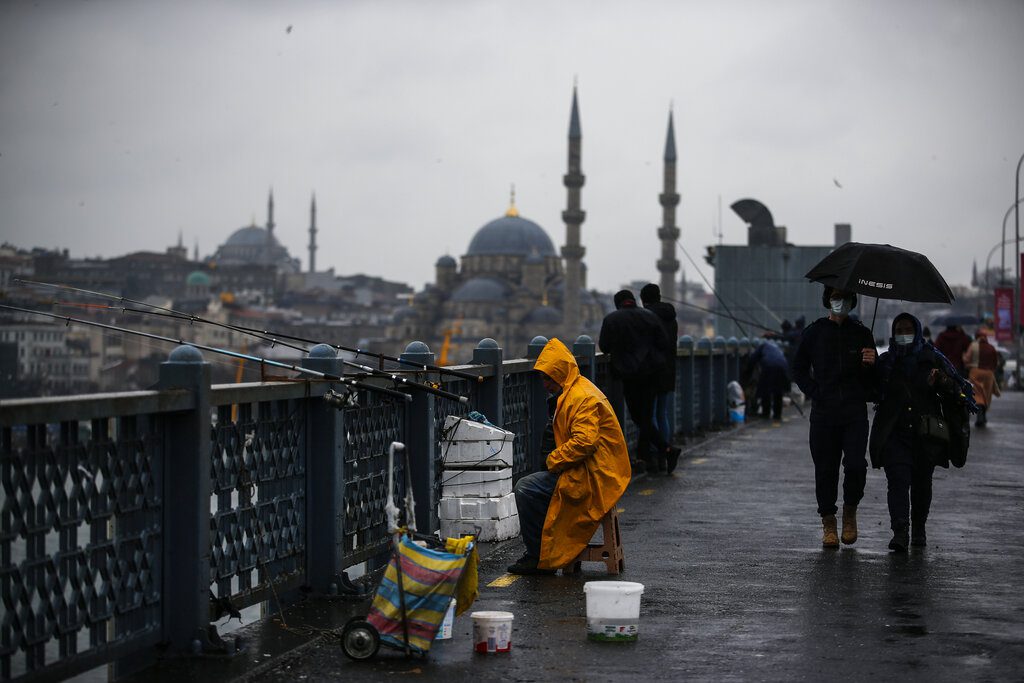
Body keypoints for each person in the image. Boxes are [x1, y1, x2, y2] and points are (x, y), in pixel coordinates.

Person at [508, 338, 632, 575]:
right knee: (539, 486)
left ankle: (538, 557)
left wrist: (554, 460)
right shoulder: (576, 389)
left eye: (548, 378)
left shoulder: (580, 398)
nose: (544, 384)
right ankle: (546, 550)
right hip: (597, 467)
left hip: (595, 473)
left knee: (526, 488)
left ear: (560, 373)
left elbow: (584, 442)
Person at [869, 313, 971, 551]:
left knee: (922, 483)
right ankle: (900, 530)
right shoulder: (885, 362)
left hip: (926, 434)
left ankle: (919, 527)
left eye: (908, 329)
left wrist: (942, 381)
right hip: (894, 432)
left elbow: (958, 391)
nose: (903, 334)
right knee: (897, 480)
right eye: (899, 330)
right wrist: (868, 367)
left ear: (916, 331)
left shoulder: (933, 359)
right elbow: (871, 390)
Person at [792, 286, 877, 548]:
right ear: (828, 300)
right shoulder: (814, 333)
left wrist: (871, 364)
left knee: (855, 465)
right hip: (824, 414)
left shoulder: (862, 333)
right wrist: (816, 392)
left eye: (845, 297)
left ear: (853, 300)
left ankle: (850, 511)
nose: (840, 302)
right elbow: (798, 369)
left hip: (853, 412)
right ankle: (829, 521)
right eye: (835, 297)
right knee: (825, 469)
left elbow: (873, 381)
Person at [598, 289, 681, 473]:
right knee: (646, 416)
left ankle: (658, 453)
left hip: (629, 375)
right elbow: (663, 343)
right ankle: (656, 454)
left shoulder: (612, 319)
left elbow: (604, 346)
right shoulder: (650, 317)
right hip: (652, 374)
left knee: (639, 417)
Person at [640, 283, 679, 461]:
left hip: (651, 371)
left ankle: (657, 453)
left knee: (650, 413)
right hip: (668, 370)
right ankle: (666, 451)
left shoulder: (647, 317)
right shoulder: (672, 318)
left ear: (644, 300)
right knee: (662, 413)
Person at [963, 331, 1000, 427]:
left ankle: (979, 416)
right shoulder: (991, 348)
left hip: (975, 372)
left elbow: (967, 359)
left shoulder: (973, 346)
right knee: (986, 395)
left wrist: (964, 358)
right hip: (989, 374)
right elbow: (996, 362)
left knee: (978, 394)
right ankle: (983, 416)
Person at [749, 338, 790, 422]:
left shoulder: (762, 347)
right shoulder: (776, 348)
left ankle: (765, 413)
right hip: (783, 367)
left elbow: (752, 359)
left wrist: (747, 372)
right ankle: (777, 414)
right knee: (778, 392)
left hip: (769, 366)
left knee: (765, 390)